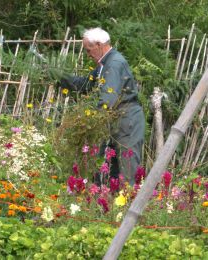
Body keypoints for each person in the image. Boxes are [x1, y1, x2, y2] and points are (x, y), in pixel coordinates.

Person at [60, 27, 145, 186]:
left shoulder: (113, 64)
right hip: (118, 120)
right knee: (114, 172)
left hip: (127, 121)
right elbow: (86, 84)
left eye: (89, 49)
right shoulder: (104, 64)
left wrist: (91, 122)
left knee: (127, 173)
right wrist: (60, 77)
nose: (88, 54)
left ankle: (130, 207)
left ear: (99, 45)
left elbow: (107, 100)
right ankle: (115, 206)